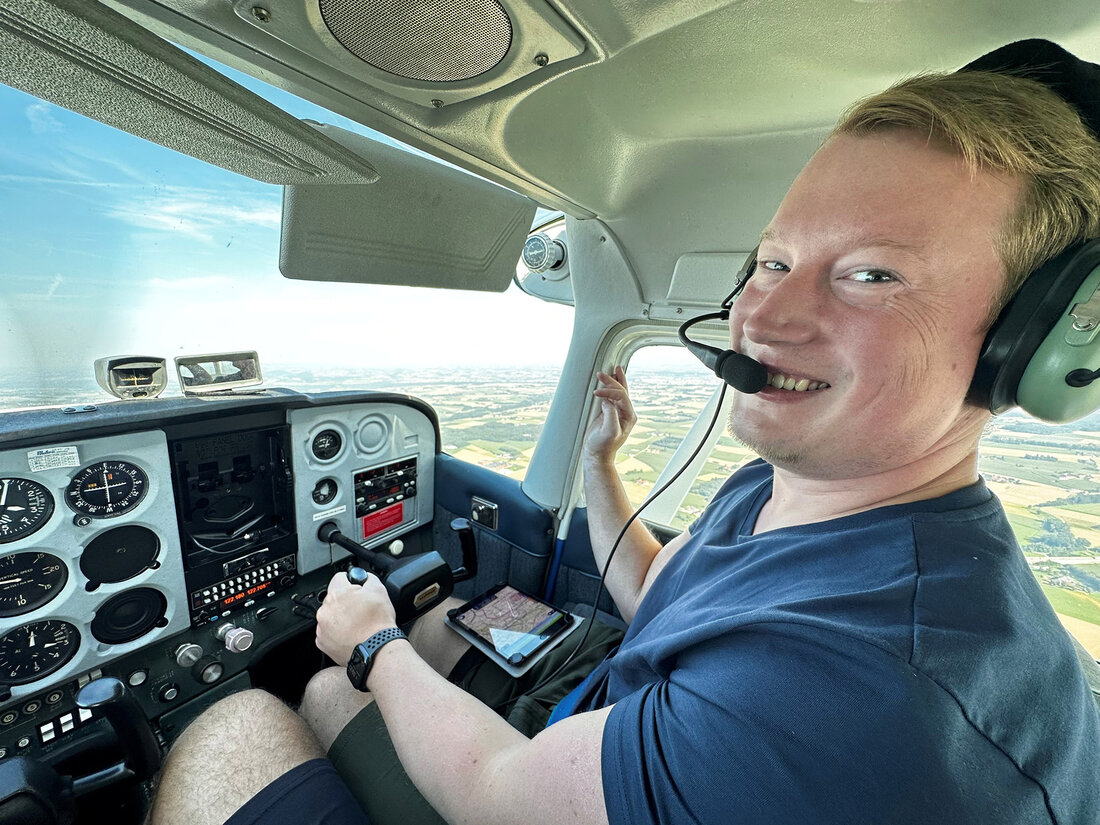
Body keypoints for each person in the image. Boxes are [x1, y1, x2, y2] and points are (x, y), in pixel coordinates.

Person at [149, 46, 1100, 825]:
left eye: (873, 275)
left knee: (250, 716)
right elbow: (662, 598)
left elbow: (497, 794)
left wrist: (368, 649)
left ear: (1029, 347)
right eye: (773, 259)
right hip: (611, 722)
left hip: (547, 781)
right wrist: (599, 463)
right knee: (438, 623)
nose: (762, 318)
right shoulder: (798, 500)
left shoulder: (859, 695)